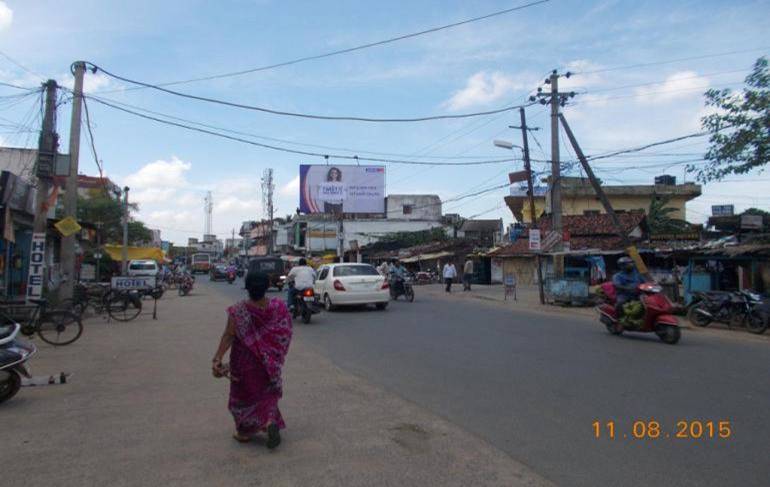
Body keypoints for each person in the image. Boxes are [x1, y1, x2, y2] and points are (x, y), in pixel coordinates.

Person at [211, 271, 292, 448]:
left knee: (243, 397)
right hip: (269, 363)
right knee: (267, 394)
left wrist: (217, 358)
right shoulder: (278, 307)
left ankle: (244, 432)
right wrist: (272, 354)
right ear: (266, 287)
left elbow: (229, 336)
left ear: (247, 287)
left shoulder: (238, 311)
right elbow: (285, 333)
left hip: (244, 363)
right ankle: (269, 421)